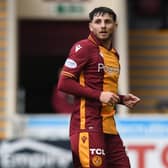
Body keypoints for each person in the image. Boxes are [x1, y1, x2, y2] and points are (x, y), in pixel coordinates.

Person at [57, 6, 140, 168]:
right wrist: (99, 95)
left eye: (107, 22)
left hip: (109, 128)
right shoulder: (83, 48)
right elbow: (64, 83)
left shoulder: (114, 54)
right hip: (87, 126)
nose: (103, 26)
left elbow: (102, 88)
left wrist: (122, 99)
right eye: (98, 22)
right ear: (91, 26)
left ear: (115, 25)